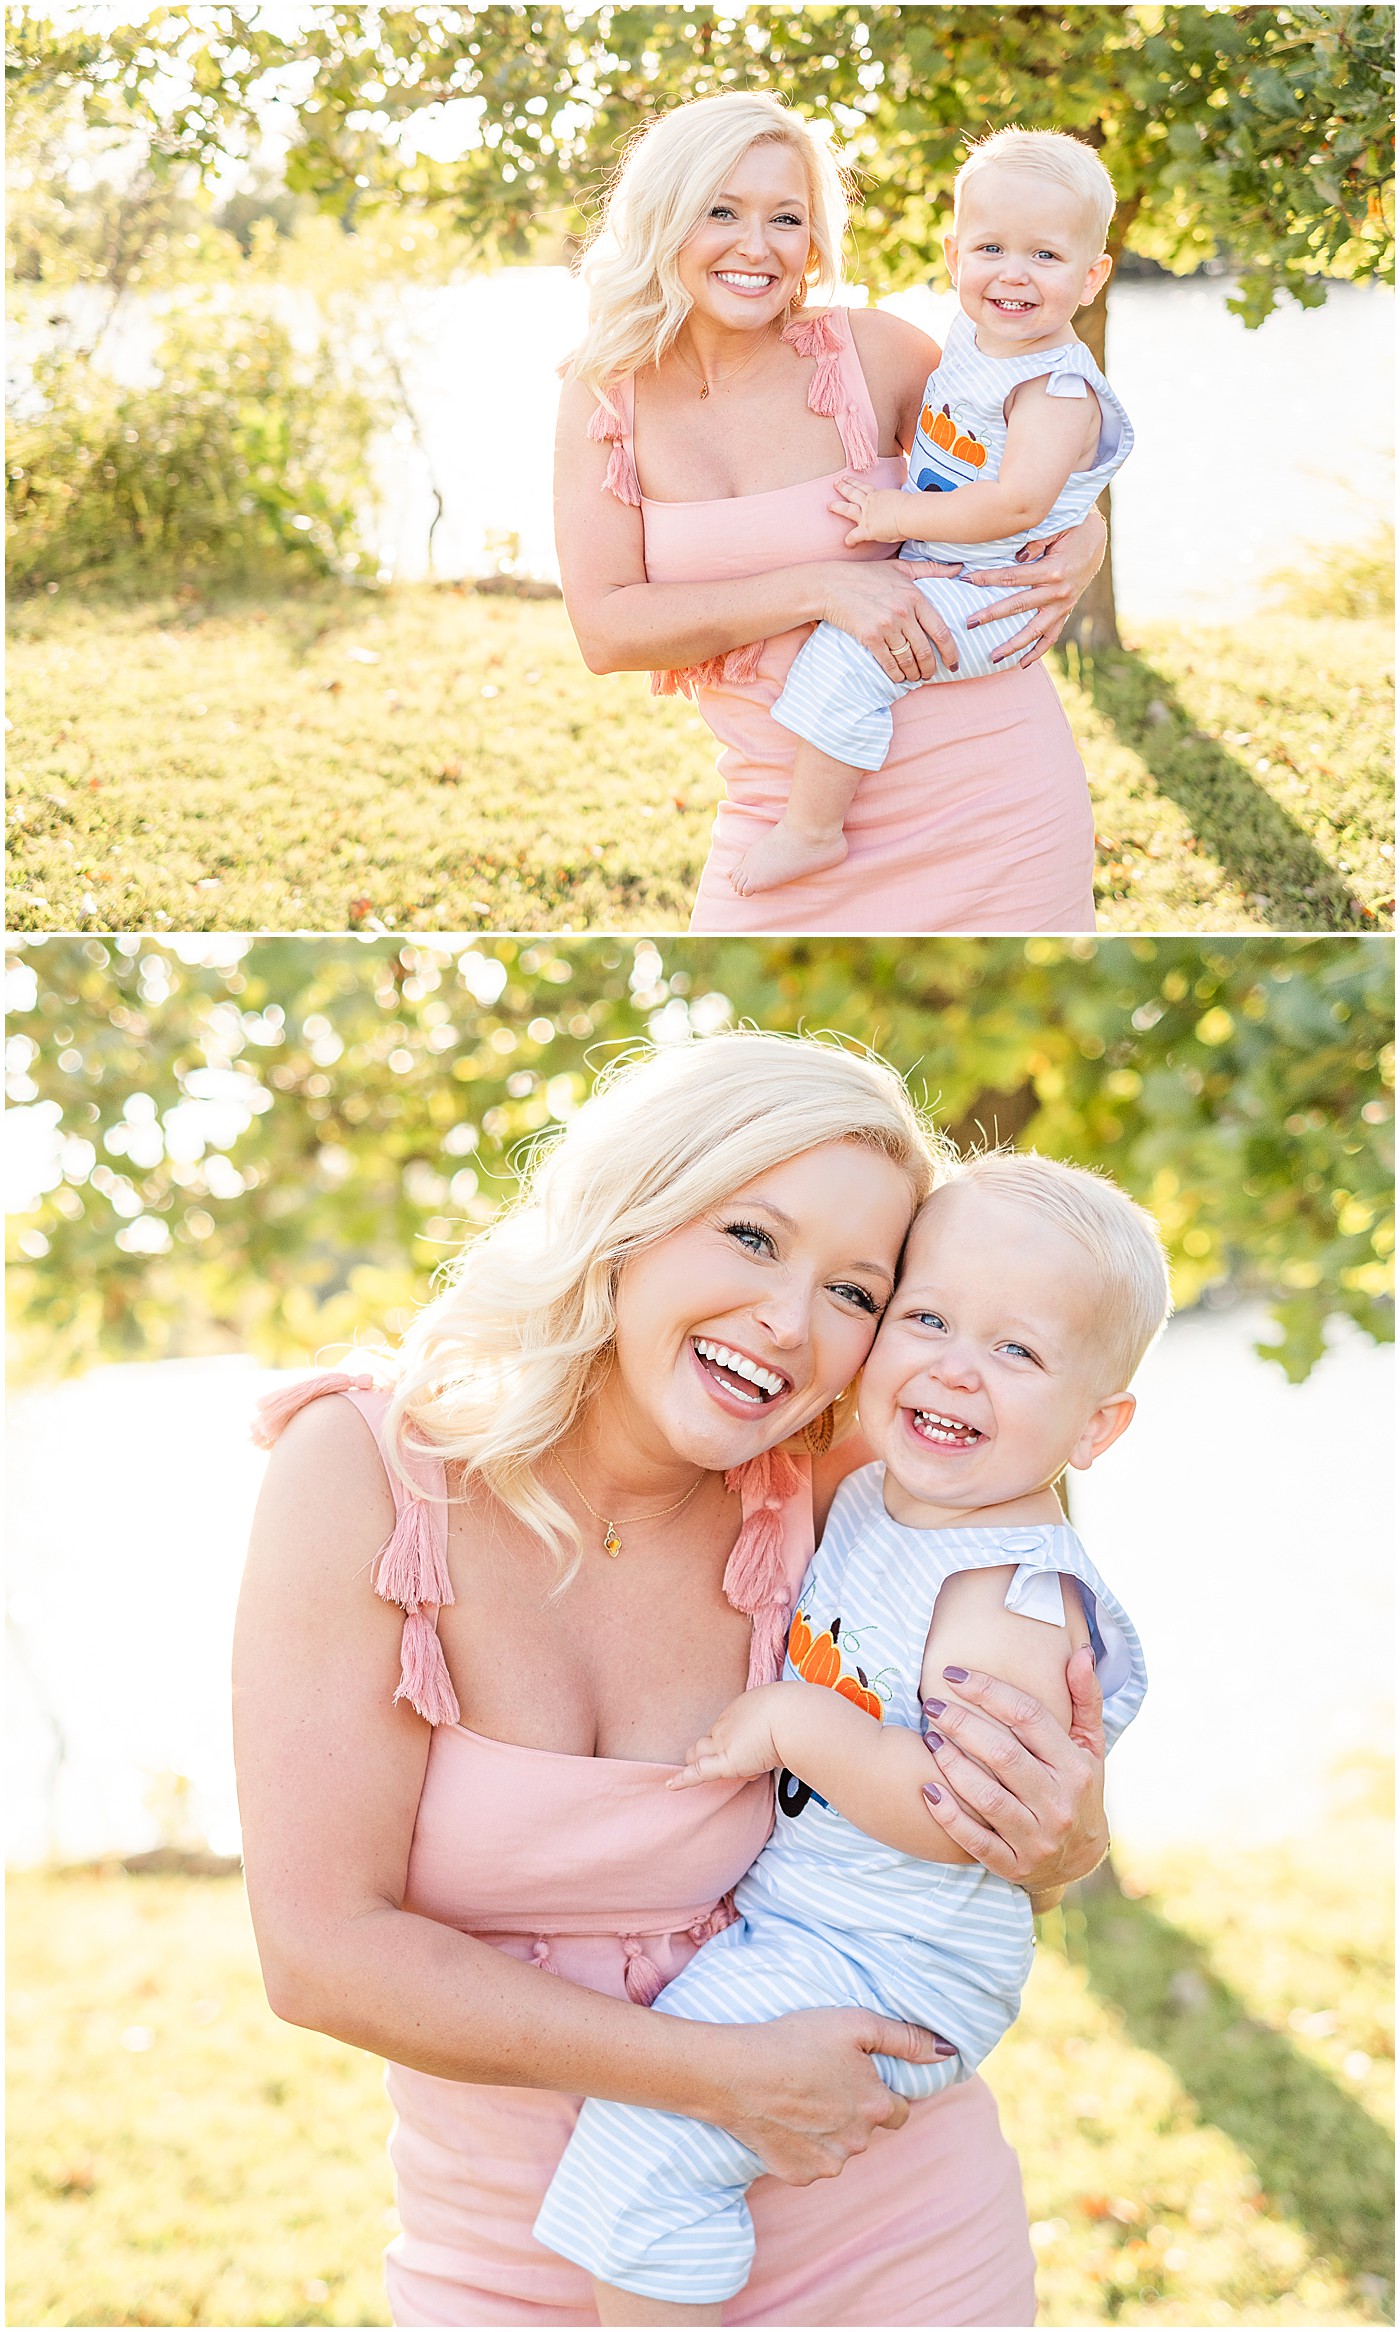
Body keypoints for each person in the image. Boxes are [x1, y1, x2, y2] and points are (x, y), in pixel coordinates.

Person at [235, 1033, 1115, 2330]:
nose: (787, 1322)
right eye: (752, 1237)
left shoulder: (852, 1489)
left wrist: (1067, 1831)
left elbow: (1040, 1822)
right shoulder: (362, 1471)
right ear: (629, 1217)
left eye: (857, 1292)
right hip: (524, 2252)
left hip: (886, 2227)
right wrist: (719, 2077)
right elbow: (320, 1955)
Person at [534, 1151, 1166, 2322]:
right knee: (652, 2144)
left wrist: (792, 1722)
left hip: (898, 1961)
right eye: (923, 1316)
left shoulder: (1005, 1595)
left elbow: (953, 1815)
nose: (951, 1366)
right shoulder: (878, 1497)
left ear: (1096, 1425)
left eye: (1015, 1350)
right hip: (828, 1926)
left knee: (642, 2163)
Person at [554, 93, 1109, 935]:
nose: (757, 246)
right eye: (721, 211)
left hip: (995, 801)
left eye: (787, 217)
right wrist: (822, 588)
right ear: (665, 219)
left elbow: (1034, 469)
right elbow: (607, 632)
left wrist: (1088, 545)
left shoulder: (875, 352)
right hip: (784, 818)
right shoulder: (605, 395)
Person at [736, 132, 1134, 896]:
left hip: (993, 590)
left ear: (1092, 277)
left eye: (1046, 257)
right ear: (953, 258)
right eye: (991, 248)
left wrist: (893, 514)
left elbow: (1017, 501)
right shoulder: (978, 344)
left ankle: (811, 831)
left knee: (851, 653)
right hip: (960, 568)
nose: (1013, 274)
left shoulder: (1053, 390)